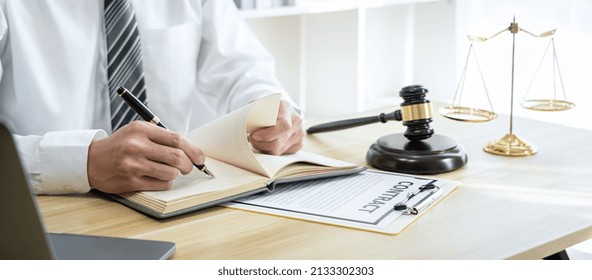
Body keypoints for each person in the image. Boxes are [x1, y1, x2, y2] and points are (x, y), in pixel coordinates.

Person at [0, 0, 304, 195]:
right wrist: (84, 161)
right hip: (46, 213)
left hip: (168, 202)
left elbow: (242, 67)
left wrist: (272, 109)